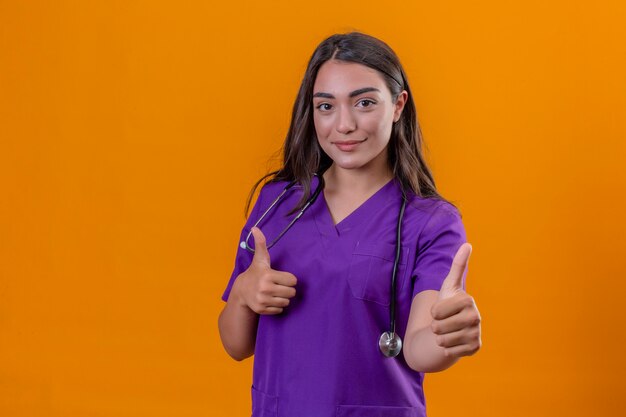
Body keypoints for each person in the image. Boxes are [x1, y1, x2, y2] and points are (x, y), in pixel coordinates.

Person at [218, 32, 482, 417]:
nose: (343, 125)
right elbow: (236, 345)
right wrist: (242, 294)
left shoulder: (431, 223)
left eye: (364, 103)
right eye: (325, 106)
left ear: (397, 105)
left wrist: (449, 336)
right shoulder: (276, 203)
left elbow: (418, 349)